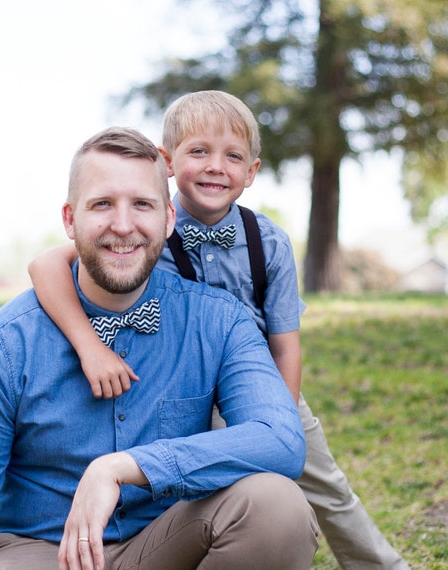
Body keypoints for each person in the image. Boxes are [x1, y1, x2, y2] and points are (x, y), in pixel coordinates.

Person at [28, 91, 410, 569]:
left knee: (327, 486)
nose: (215, 166)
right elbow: (45, 265)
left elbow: (286, 346)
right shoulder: (145, 227)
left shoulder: (268, 242)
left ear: (251, 172)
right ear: (167, 162)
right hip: (184, 387)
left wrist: (275, 420)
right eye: (198, 151)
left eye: (233, 156)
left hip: (263, 386)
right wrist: (89, 346)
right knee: (193, 482)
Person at [0, 126, 318, 570]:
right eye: (102, 204)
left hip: (169, 541)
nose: (123, 226)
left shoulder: (218, 320)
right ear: (70, 220)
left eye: (142, 204)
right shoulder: (11, 340)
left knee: (276, 505)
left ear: (167, 220)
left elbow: (281, 440)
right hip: (43, 552)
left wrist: (125, 466)